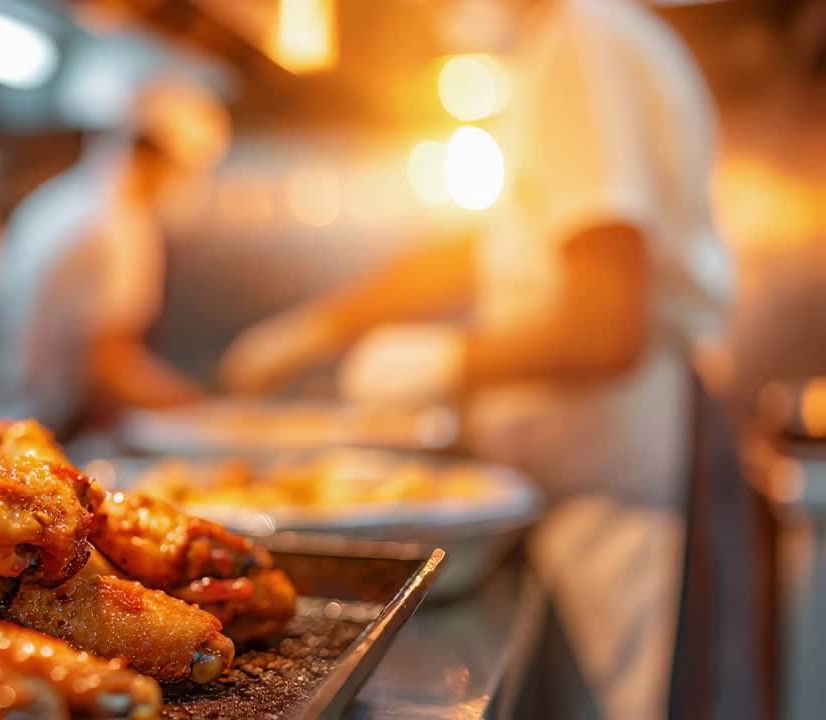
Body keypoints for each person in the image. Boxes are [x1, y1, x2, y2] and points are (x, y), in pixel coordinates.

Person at [219, 1, 733, 717]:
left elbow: (608, 326)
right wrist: (324, 323)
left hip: (615, 484)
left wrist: (444, 362)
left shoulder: (586, 43)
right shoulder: (566, 44)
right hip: (573, 479)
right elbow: (484, 247)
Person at [0, 79, 230, 433]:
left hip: (14, 419)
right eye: (187, 171)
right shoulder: (115, 227)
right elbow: (109, 366)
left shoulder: (61, 200)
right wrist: (205, 411)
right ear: (152, 156)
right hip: (57, 432)